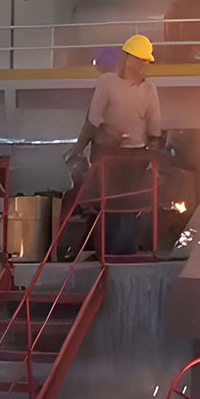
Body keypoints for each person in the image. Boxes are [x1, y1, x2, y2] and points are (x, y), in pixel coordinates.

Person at [64, 34, 162, 255]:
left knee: (131, 205)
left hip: (135, 157)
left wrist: (152, 158)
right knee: (107, 204)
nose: (145, 65)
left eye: (146, 62)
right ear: (129, 59)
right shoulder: (107, 83)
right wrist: (78, 150)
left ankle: (123, 252)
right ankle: (106, 251)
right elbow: (93, 121)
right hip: (107, 155)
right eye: (142, 60)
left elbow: (154, 130)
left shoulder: (149, 90)